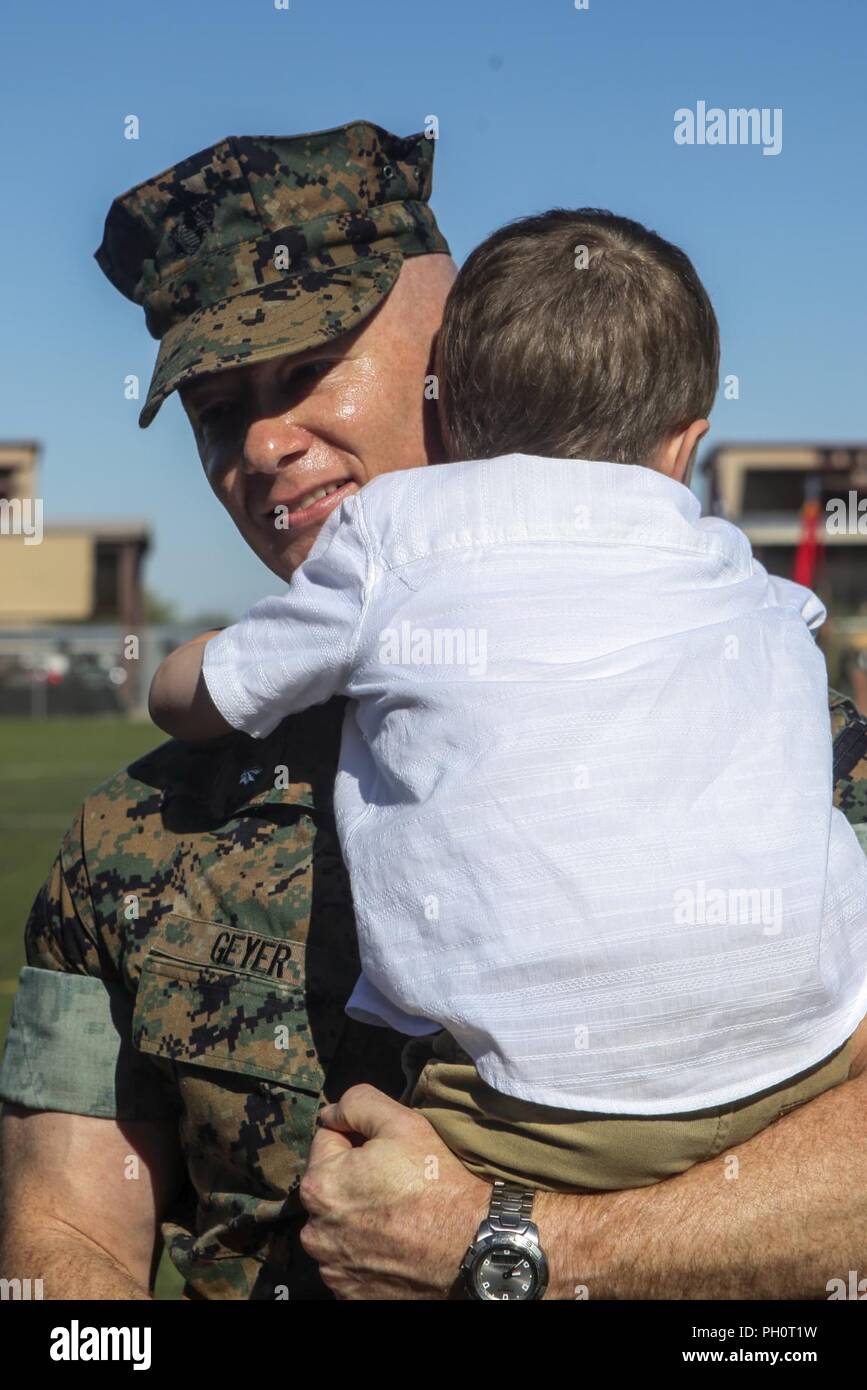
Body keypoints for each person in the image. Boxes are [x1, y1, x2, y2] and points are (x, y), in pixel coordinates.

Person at [0, 122, 865, 1300]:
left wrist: (513, 1247)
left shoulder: (808, 747)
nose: (258, 443)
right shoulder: (137, 835)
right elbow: (70, 1252)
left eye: (307, 371)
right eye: (217, 411)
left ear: (453, 362)